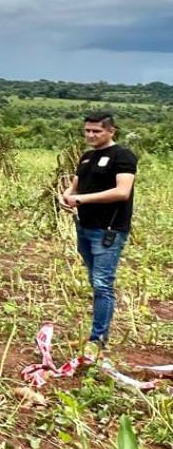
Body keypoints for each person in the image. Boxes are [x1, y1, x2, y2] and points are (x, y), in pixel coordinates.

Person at [60, 112, 137, 358]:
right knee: (95, 281)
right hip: (84, 227)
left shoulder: (122, 156)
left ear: (111, 131)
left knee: (103, 284)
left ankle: (99, 339)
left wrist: (81, 199)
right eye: (88, 131)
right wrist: (66, 196)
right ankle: (96, 334)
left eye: (97, 131)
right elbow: (75, 187)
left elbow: (122, 192)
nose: (91, 135)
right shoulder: (87, 157)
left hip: (108, 231)